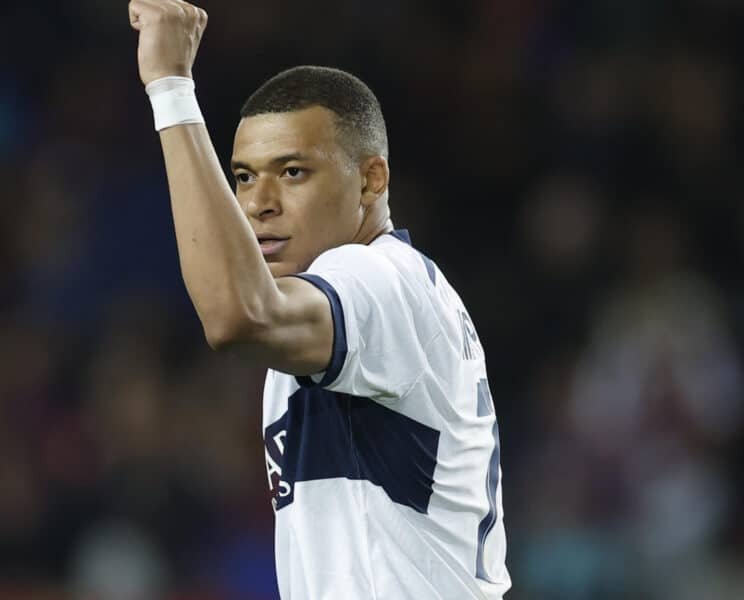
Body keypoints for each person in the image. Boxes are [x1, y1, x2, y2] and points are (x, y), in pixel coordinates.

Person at [127, 1, 510, 598]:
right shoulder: (383, 292)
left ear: (371, 179)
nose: (258, 203)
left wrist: (171, 88)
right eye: (245, 177)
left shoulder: (375, 279)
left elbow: (237, 314)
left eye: (293, 172)